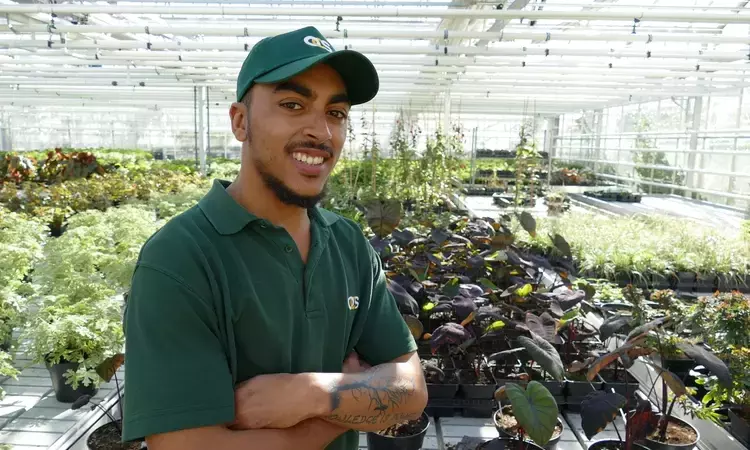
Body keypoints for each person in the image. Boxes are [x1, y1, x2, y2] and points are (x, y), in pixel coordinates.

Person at [120, 25, 428, 450]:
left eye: (336, 113)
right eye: (293, 104)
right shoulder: (180, 258)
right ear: (240, 121)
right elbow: (183, 444)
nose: (321, 132)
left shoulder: (348, 244)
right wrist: (344, 406)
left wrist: (311, 394)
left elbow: (411, 392)